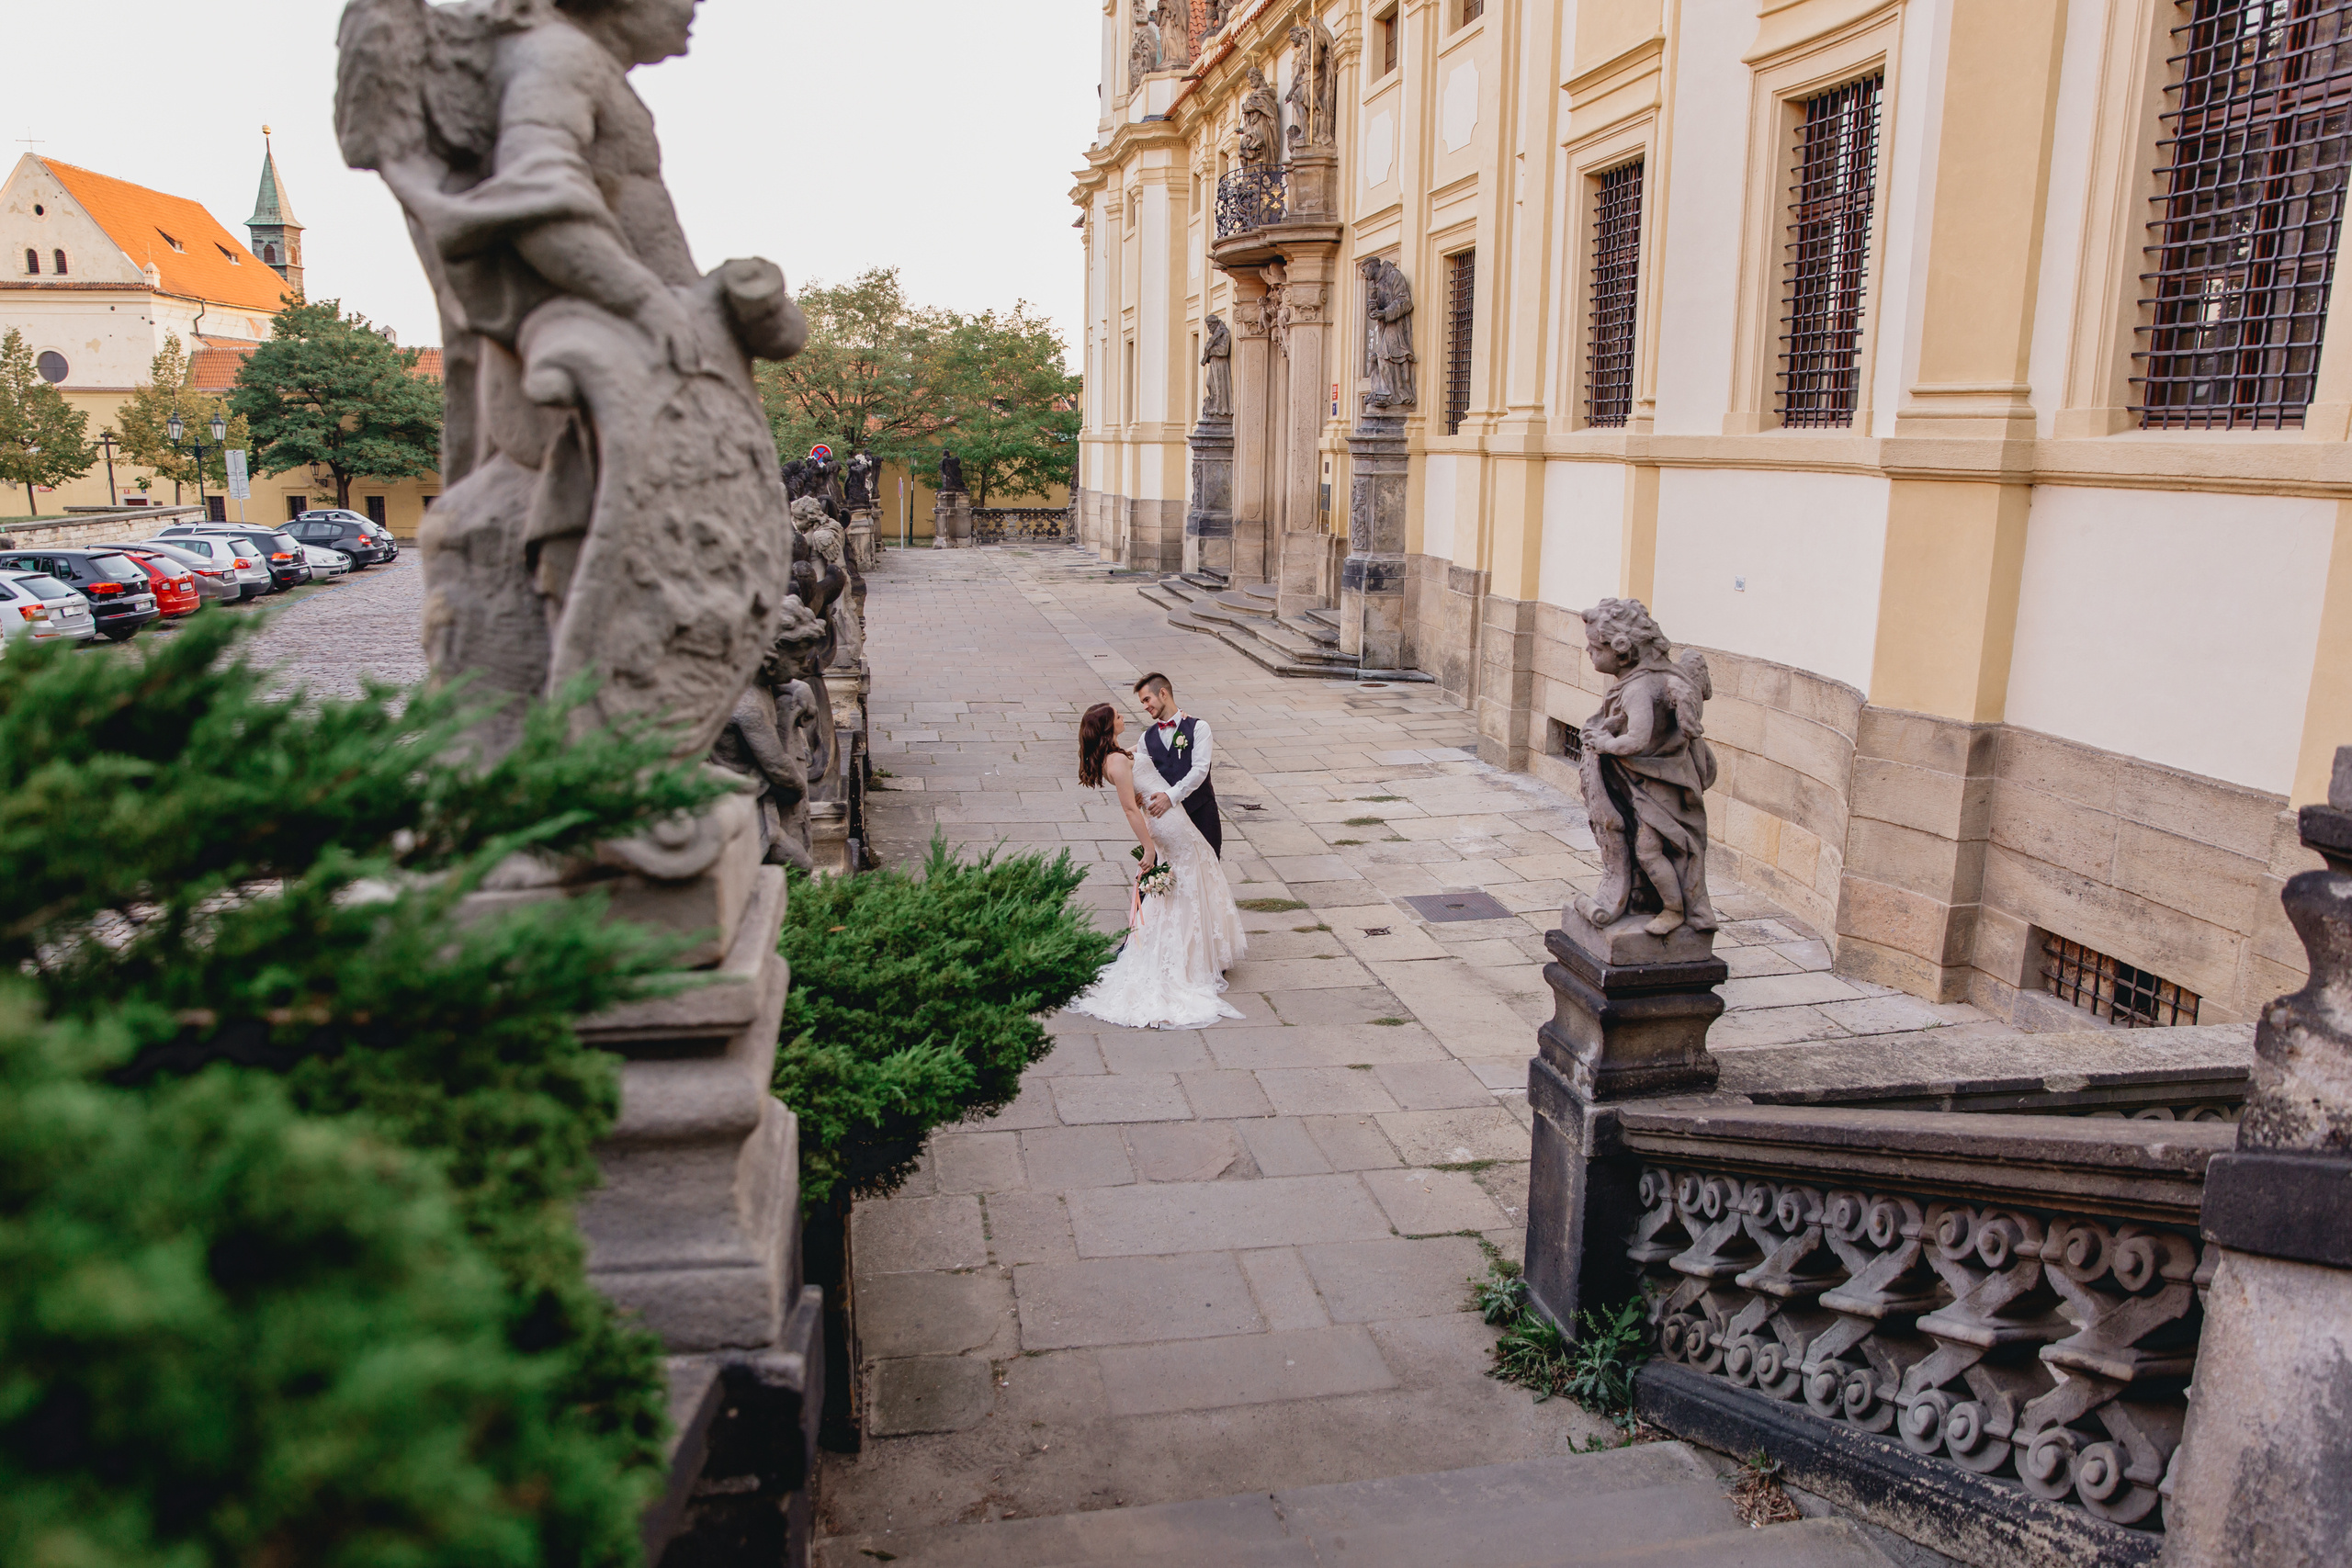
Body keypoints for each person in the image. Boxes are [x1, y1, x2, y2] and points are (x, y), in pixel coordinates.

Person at [1067, 698, 1247, 1030]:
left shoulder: (1120, 754)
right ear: (1108, 727)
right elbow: (1130, 810)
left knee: (1195, 872)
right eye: (1118, 717)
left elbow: (1144, 766)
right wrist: (1148, 849)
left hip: (1170, 815)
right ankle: (1186, 957)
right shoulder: (1116, 762)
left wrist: (1180, 722)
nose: (1123, 718)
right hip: (1166, 822)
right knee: (1189, 876)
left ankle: (1199, 951)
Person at [1130, 671, 1220, 858]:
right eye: (1143, 703)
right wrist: (1137, 795)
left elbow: (1200, 770)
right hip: (1167, 822)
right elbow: (1142, 773)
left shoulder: (1199, 728)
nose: (1145, 706)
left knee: (1209, 874)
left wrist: (1169, 797)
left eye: (1147, 700)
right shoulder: (1146, 738)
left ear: (1163, 693)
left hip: (1201, 814)